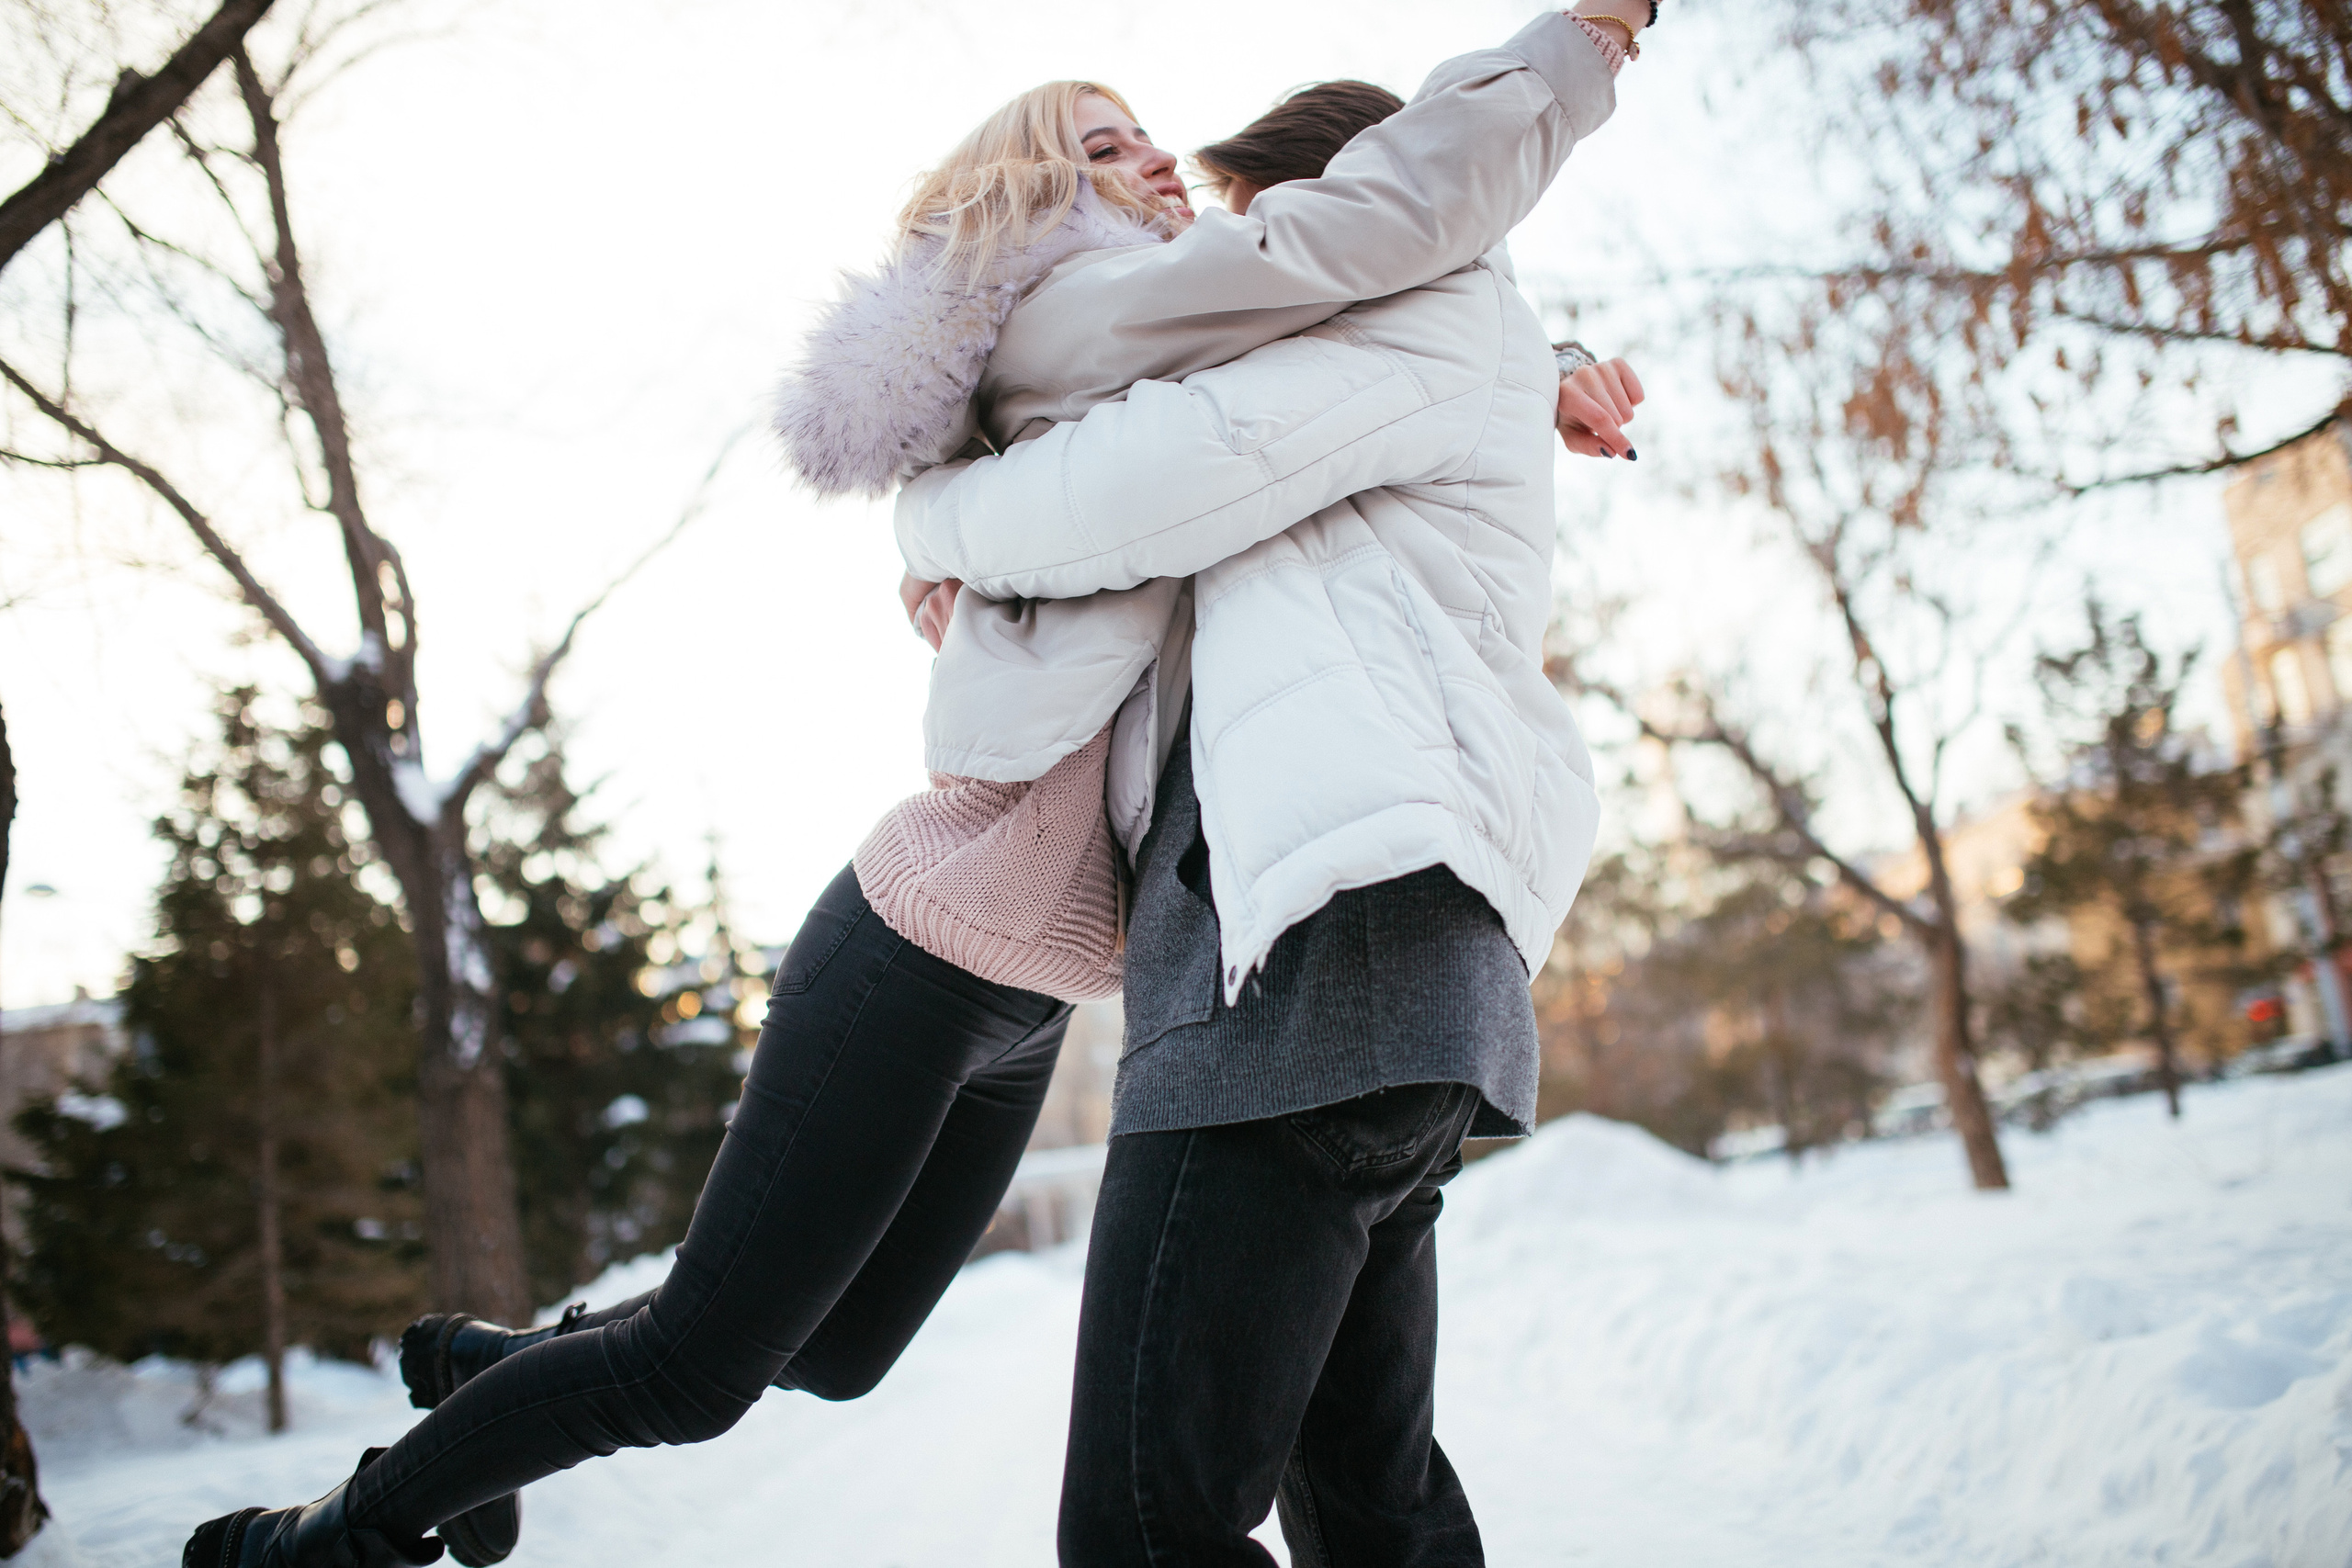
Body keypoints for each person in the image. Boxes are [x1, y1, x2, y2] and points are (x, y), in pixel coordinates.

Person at [180, 12, 1645, 1566]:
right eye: (1103, 143)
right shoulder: (1077, 311)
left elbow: (1345, 344)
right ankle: (337, 1537)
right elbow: (1323, 299)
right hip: (935, 928)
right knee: (696, 1366)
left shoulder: (1175, 334)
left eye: (1153, 137)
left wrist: (1524, 365)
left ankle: (509, 1373)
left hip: (1033, 993)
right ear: (1034, 194)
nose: (1157, 161)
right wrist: (943, 525)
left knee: (837, 1345)